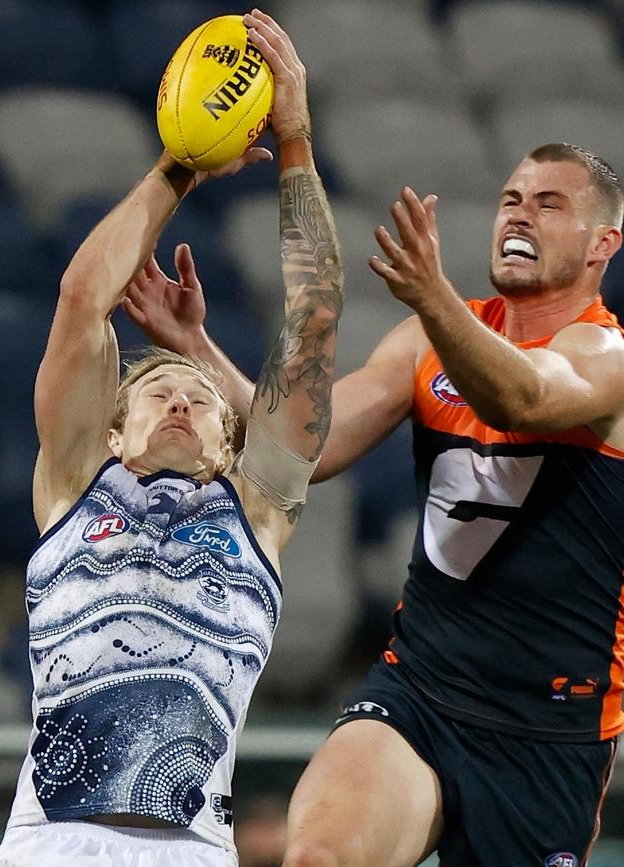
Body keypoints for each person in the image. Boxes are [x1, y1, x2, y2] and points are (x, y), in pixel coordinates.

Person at [124, 141, 624, 866]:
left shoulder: (606, 357)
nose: (521, 213)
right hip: (421, 687)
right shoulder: (427, 339)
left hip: (547, 729)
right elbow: (309, 450)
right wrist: (194, 344)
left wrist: (433, 296)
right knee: (319, 856)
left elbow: (524, 396)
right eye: (514, 198)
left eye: (550, 204)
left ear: (603, 243)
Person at [0, 10, 343, 867]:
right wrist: (178, 168)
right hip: (49, 843)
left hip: (188, 848)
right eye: (155, 391)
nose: (181, 399)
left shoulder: (256, 509)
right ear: (113, 428)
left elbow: (312, 324)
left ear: (233, 442)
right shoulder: (74, 483)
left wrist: (295, 141)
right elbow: (83, 297)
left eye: (199, 394)